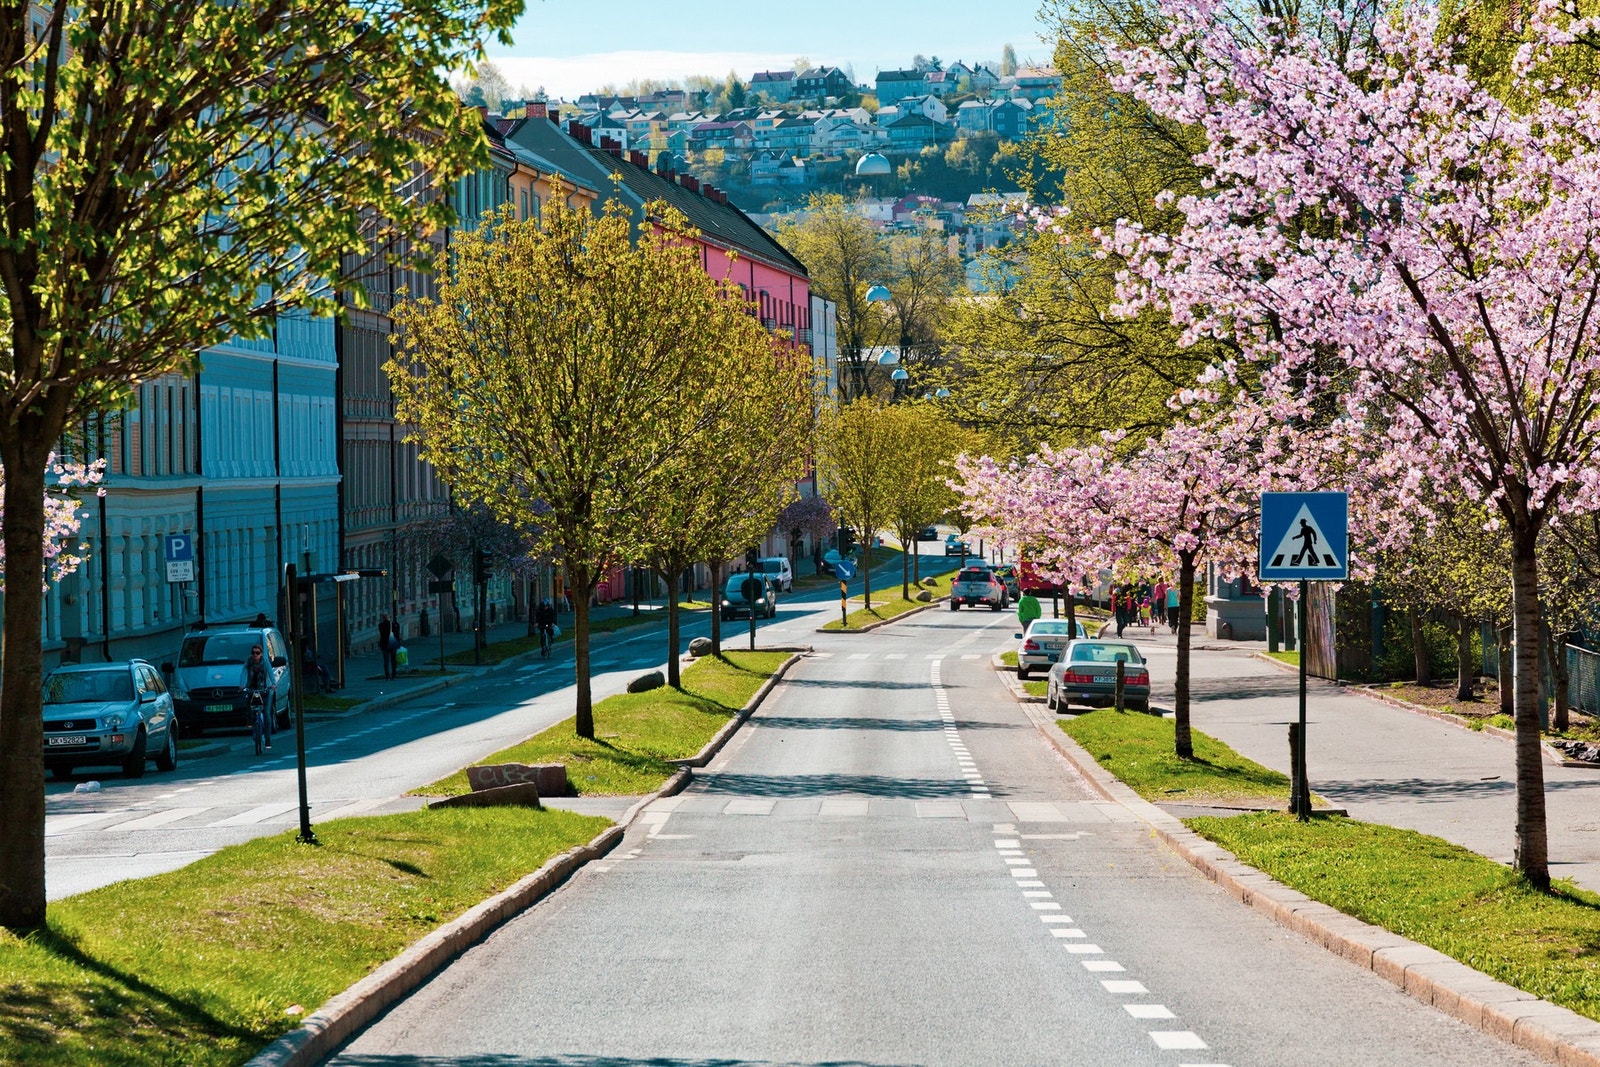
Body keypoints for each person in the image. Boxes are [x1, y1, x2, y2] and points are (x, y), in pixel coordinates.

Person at [245, 644, 272, 749]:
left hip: (264, 690)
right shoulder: (249, 662)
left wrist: (273, 684)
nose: (255, 655)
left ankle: (268, 739)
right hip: (252, 689)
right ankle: (251, 722)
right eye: (253, 653)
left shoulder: (265, 662)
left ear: (261, 654)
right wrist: (242, 684)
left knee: (266, 713)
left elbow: (270, 673)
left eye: (257, 653)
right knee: (248, 707)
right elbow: (243, 672)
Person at [378, 613, 395, 680]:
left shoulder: (380, 625)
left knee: (386, 661)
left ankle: (387, 676)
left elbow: (382, 634)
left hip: (384, 644)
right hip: (391, 644)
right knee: (393, 661)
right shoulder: (391, 624)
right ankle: (393, 675)